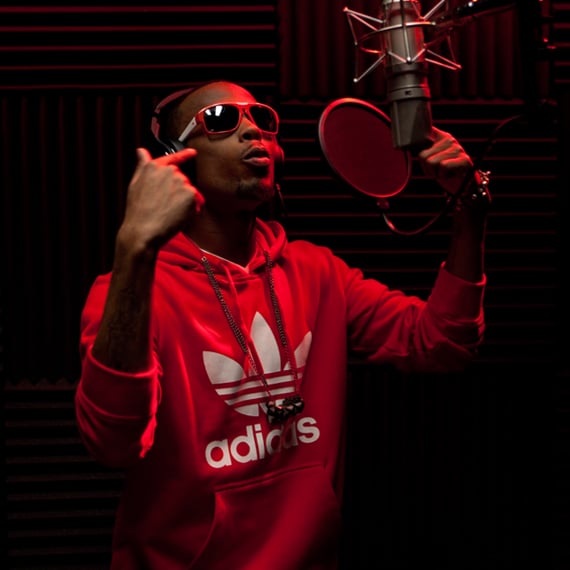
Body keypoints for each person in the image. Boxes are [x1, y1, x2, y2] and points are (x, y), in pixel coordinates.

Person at [75, 80, 489, 570]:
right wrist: (134, 250)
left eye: (263, 119)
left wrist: (469, 210)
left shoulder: (317, 272)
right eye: (222, 119)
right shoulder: (128, 290)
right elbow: (113, 444)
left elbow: (441, 344)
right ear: (176, 159)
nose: (254, 130)